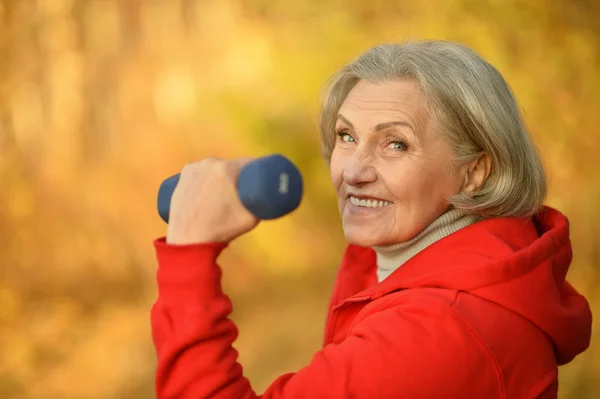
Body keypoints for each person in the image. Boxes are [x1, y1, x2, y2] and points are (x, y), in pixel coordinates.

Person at [150, 40, 592, 398]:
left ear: (475, 171)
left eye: (395, 143)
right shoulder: (440, 269)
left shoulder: (441, 330)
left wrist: (190, 254)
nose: (354, 171)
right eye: (346, 136)